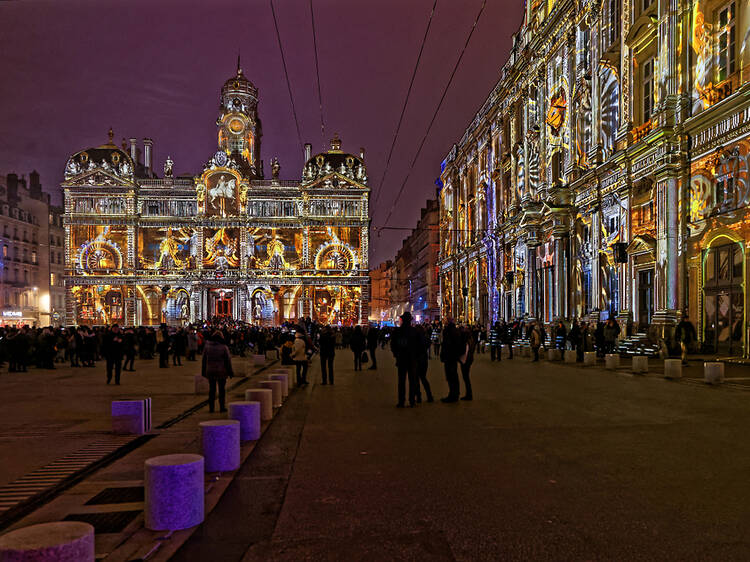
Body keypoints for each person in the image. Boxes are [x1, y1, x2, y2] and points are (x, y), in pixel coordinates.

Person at [390, 311, 418, 407]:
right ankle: (412, 400)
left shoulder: (397, 331)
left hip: (401, 359)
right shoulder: (414, 331)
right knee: (412, 381)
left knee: (401, 381)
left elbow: (393, 345)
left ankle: (401, 401)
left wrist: (396, 354)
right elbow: (421, 345)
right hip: (412, 359)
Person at [202, 331, 234, 413]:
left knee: (212, 390)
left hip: (210, 371)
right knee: (222, 390)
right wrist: (230, 372)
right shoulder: (224, 347)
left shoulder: (207, 346)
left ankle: (211, 408)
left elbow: (204, 360)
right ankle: (222, 407)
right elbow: (228, 361)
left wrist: (203, 371)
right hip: (221, 371)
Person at [439, 318, 461, 403]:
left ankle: (452, 395)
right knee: (454, 375)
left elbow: (446, 345)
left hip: (449, 357)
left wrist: (443, 355)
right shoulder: (455, 331)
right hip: (453, 357)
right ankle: (455, 393)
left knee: (450, 376)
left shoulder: (448, 331)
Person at [414, 323, 433, 403]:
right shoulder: (425, 338)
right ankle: (429, 396)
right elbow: (428, 344)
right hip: (424, 360)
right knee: (423, 378)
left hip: (417, 360)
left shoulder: (415, 339)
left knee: (416, 379)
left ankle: (418, 397)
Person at [458, 326, 475, 401]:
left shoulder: (466, 342)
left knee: (466, 378)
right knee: (466, 378)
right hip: (469, 360)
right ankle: (468, 393)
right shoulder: (471, 340)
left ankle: (469, 394)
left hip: (466, 361)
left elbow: (465, 352)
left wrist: (461, 360)